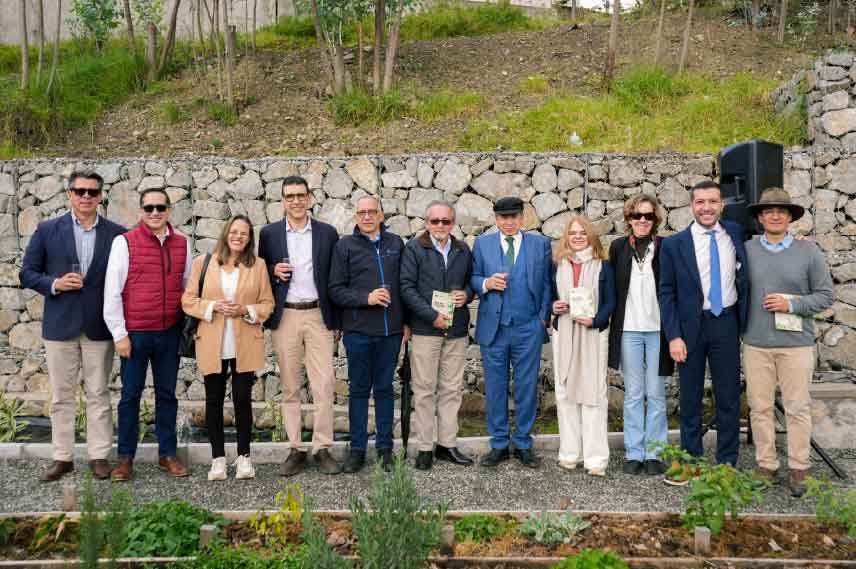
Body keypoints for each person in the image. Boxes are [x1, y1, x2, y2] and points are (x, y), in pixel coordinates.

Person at [20, 171, 126, 482]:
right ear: (69, 194)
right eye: (80, 191)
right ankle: (62, 457)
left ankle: (98, 457)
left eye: (92, 191)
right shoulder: (47, 229)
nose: (86, 197)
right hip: (60, 326)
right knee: (61, 397)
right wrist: (54, 283)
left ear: (100, 195)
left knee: (98, 393)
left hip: (98, 327)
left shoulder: (117, 235)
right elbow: (26, 274)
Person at [743, 187, 834, 497]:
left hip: (796, 345)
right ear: (759, 217)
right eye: (769, 210)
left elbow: (826, 296)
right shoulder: (747, 250)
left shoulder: (808, 251)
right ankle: (766, 465)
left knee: (797, 408)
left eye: (782, 210)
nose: (775, 214)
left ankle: (799, 467)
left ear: (790, 217)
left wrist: (791, 305)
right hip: (756, 343)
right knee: (760, 408)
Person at [659, 180, 749, 479]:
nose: (707, 207)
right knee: (690, 398)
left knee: (728, 397)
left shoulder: (736, 234)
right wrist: (673, 335)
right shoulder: (674, 245)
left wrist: (797, 237)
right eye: (700, 202)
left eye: (712, 201)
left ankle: (726, 464)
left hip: (726, 323)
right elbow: (667, 293)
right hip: (690, 328)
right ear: (691, 206)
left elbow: (771, 243)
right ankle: (690, 461)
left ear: (721, 204)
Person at [104, 188, 194, 481]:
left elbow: (186, 285)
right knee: (130, 396)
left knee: (167, 395)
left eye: (160, 207)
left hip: (169, 333)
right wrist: (120, 334)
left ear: (169, 210)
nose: (154, 213)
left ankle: (167, 454)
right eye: (149, 208)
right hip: (136, 334)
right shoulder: (124, 243)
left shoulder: (182, 243)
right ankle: (125, 458)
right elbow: (112, 292)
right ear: (140, 211)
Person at [258, 175, 343, 477]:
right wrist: (271, 270)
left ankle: (322, 448)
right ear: (282, 200)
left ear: (309, 198)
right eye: (289, 196)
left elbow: (335, 278)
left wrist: (337, 320)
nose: (295, 200)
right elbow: (258, 273)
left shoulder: (327, 233)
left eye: (300, 195)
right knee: (291, 385)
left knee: (324, 385)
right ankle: (295, 448)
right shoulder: (269, 234)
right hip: (287, 316)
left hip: (319, 315)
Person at [182, 215, 274, 481]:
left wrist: (246, 309)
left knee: (243, 400)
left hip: (244, 340)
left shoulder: (258, 266)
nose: (238, 236)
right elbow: (188, 300)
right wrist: (213, 307)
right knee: (213, 401)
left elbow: (268, 304)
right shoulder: (204, 262)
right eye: (234, 231)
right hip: (212, 340)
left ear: (249, 239)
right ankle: (218, 459)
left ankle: (244, 458)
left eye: (244, 233)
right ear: (225, 233)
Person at [471, 196, 552, 469]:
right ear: (496, 219)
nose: (508, 222)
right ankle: (499, 444)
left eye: (514, 217)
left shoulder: (540, 244)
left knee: (526, 386)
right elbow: (472, 277)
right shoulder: (482, 244)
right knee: (495, 387)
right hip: (494, 327)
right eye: (503, 218)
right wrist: (485, 283)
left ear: (523, 217)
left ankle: (524, 443)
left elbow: (547, 285)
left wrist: (542, 319)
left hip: (528, 327)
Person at [329, 196, 409, 473]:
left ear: (381, 215)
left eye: (371, 212)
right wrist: (367, 297)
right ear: (355, 217)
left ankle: (385, 448)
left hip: (391, 332)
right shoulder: (344, 246)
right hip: (358, 331)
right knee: (359, 390)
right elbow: (335, 290)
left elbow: (405, 286)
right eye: (361, 212)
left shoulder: (396, 244)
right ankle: (357, 449)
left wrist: (407, 322)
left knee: (386, 389)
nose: (366, 217)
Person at [401, 200, 475, 471]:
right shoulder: (414, 249)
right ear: (426, 222)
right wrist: (431, 316)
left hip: (455, 331)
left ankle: (446, 444)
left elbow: (471, 282)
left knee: (452, 390)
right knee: (423, 390)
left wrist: (466, 294)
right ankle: (423, 447)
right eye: (435, 221)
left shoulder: (462, 249)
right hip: (425, 330)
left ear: (452, 223)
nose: (441, 226)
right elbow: (406, 288)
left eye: (446, 221)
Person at [607, 194, 674, 476]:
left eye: (648, 216)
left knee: (656, 393)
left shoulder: (666, 247)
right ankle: (635, 451)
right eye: (637, 216)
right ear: (629, 219)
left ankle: (655, 452)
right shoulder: (618, 248)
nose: (643, 221)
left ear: (655, 220)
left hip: (659, 329)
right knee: (634, 394)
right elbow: (609, 286)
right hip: (629, 329)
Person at [552, 215, 616, 476]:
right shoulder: (557, 265)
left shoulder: (603, 266)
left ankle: (595, 459)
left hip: (592, 334)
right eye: (572, 233)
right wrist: (553, 307)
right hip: (565, 330)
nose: (577, 237)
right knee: (564, 392)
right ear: (566, 237)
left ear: (590, 236)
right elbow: (549, 295)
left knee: (593, 395)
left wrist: (597, 320)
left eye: (582, 233)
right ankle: (570, 453)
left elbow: (612, 300)